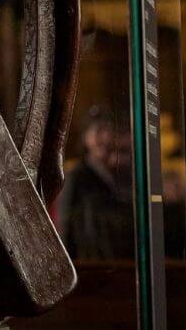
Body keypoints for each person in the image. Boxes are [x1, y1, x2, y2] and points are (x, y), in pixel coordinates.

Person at [55, 106, 133, 261]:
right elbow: (64, 227)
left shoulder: (119, 175)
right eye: (98, 131)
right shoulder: (76, 176)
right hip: (89, 266)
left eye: (108, 131)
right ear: (86, 138)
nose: (104, 138)